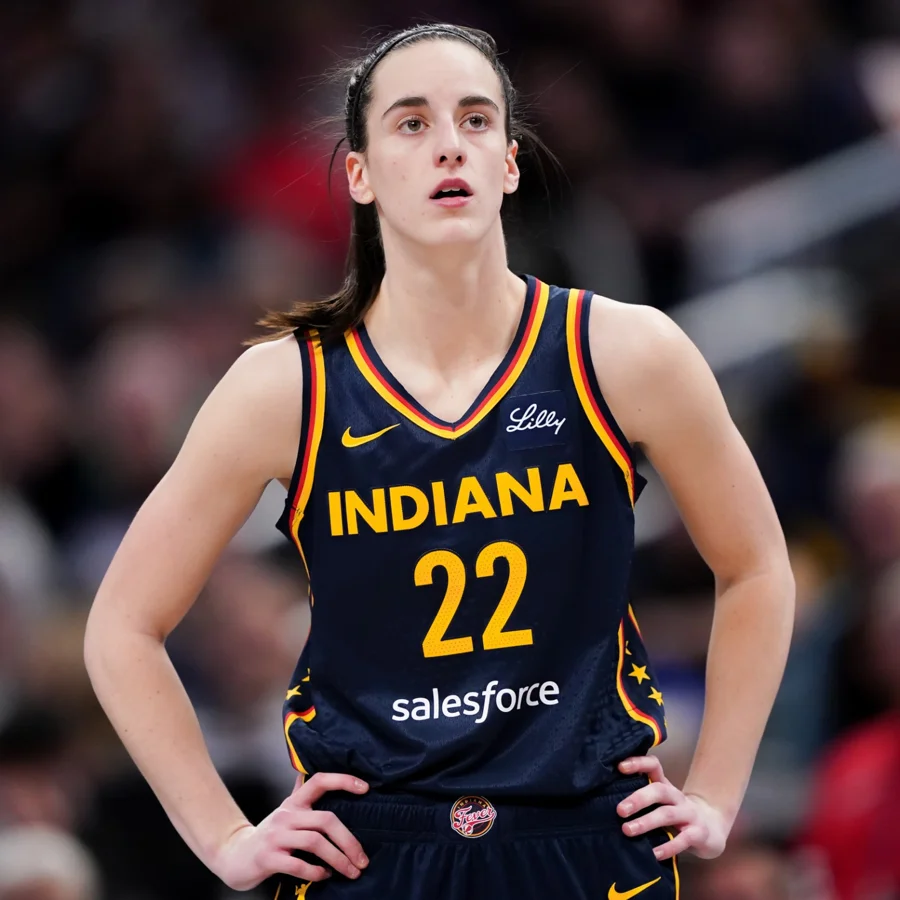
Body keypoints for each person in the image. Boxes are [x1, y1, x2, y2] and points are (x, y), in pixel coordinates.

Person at [83, 23, 795, 900]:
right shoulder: (286, 385)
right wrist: (226, 835)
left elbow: (757, 566)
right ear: (359, 173)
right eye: (412, 123)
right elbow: (122, 626)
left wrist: (717, 792)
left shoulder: (625, 351)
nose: (449, 144)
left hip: (586, 835)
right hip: (374, 849)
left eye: (476, 119)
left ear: (509, 163)